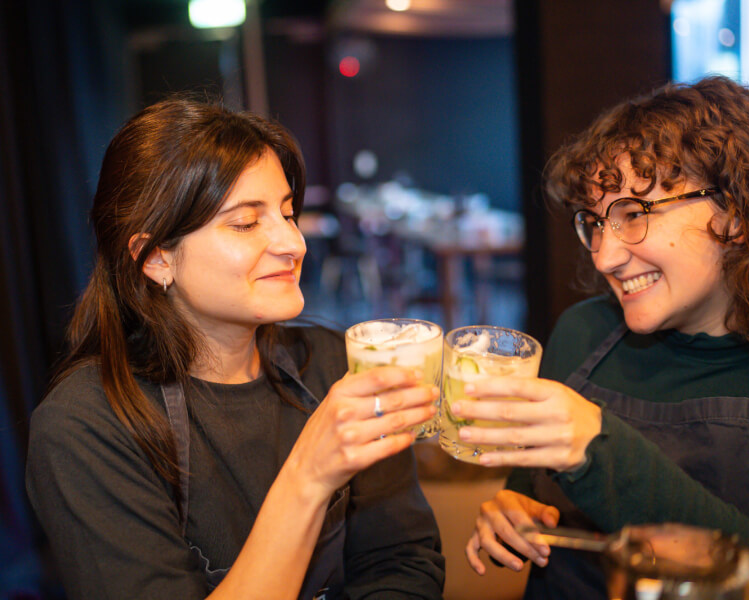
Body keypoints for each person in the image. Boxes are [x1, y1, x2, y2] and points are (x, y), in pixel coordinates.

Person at [25, 98, 445, 600]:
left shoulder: (338, 365)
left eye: (288, 213)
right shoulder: (85, 427)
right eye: (246, 223)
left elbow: (404, 561)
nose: (293, 243)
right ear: (156, 258)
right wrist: (309, 476)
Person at [455, 76, 749, 598]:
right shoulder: (582, 332)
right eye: (594, 221)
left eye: (633, 214)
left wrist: (598, 452)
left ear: (737, 213)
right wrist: (512, 510)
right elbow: (526, 493)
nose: (604, 255)